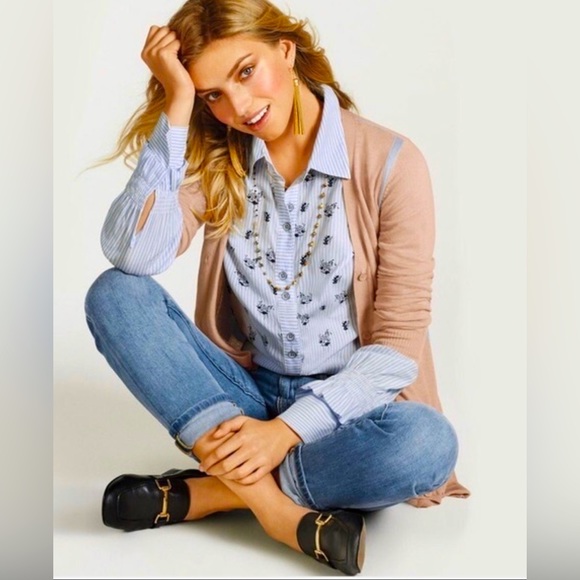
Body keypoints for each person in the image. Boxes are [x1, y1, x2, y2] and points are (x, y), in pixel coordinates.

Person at [84, 0, 470, 575]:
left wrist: (286, 432)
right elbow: (132, 256)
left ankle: (214, 492)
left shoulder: (391, 162)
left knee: (427, 444)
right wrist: (177, 107)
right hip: (245, 397)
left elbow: (396, 350)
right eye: (213, 94)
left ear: (285, 50)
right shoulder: (219, 159)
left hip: (352, 413)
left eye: (246, 71)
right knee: (115, 294)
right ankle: (275, 512)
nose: (239, 107)